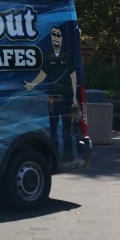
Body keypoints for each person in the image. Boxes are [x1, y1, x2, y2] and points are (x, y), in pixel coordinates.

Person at [23, 24, 78, 162]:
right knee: (53, 131)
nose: (56, 38)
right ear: (51, 38)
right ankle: (54, 157)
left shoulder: (66, 56)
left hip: (66, 99)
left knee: (66, 130)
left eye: (58, 35)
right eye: (54, 35)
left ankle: (68, 155)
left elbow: (73, 76)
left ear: (61, 39)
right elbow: (42, 75)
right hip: (53, 99)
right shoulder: (48, 56)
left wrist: (76, 97)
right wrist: (32, 85)